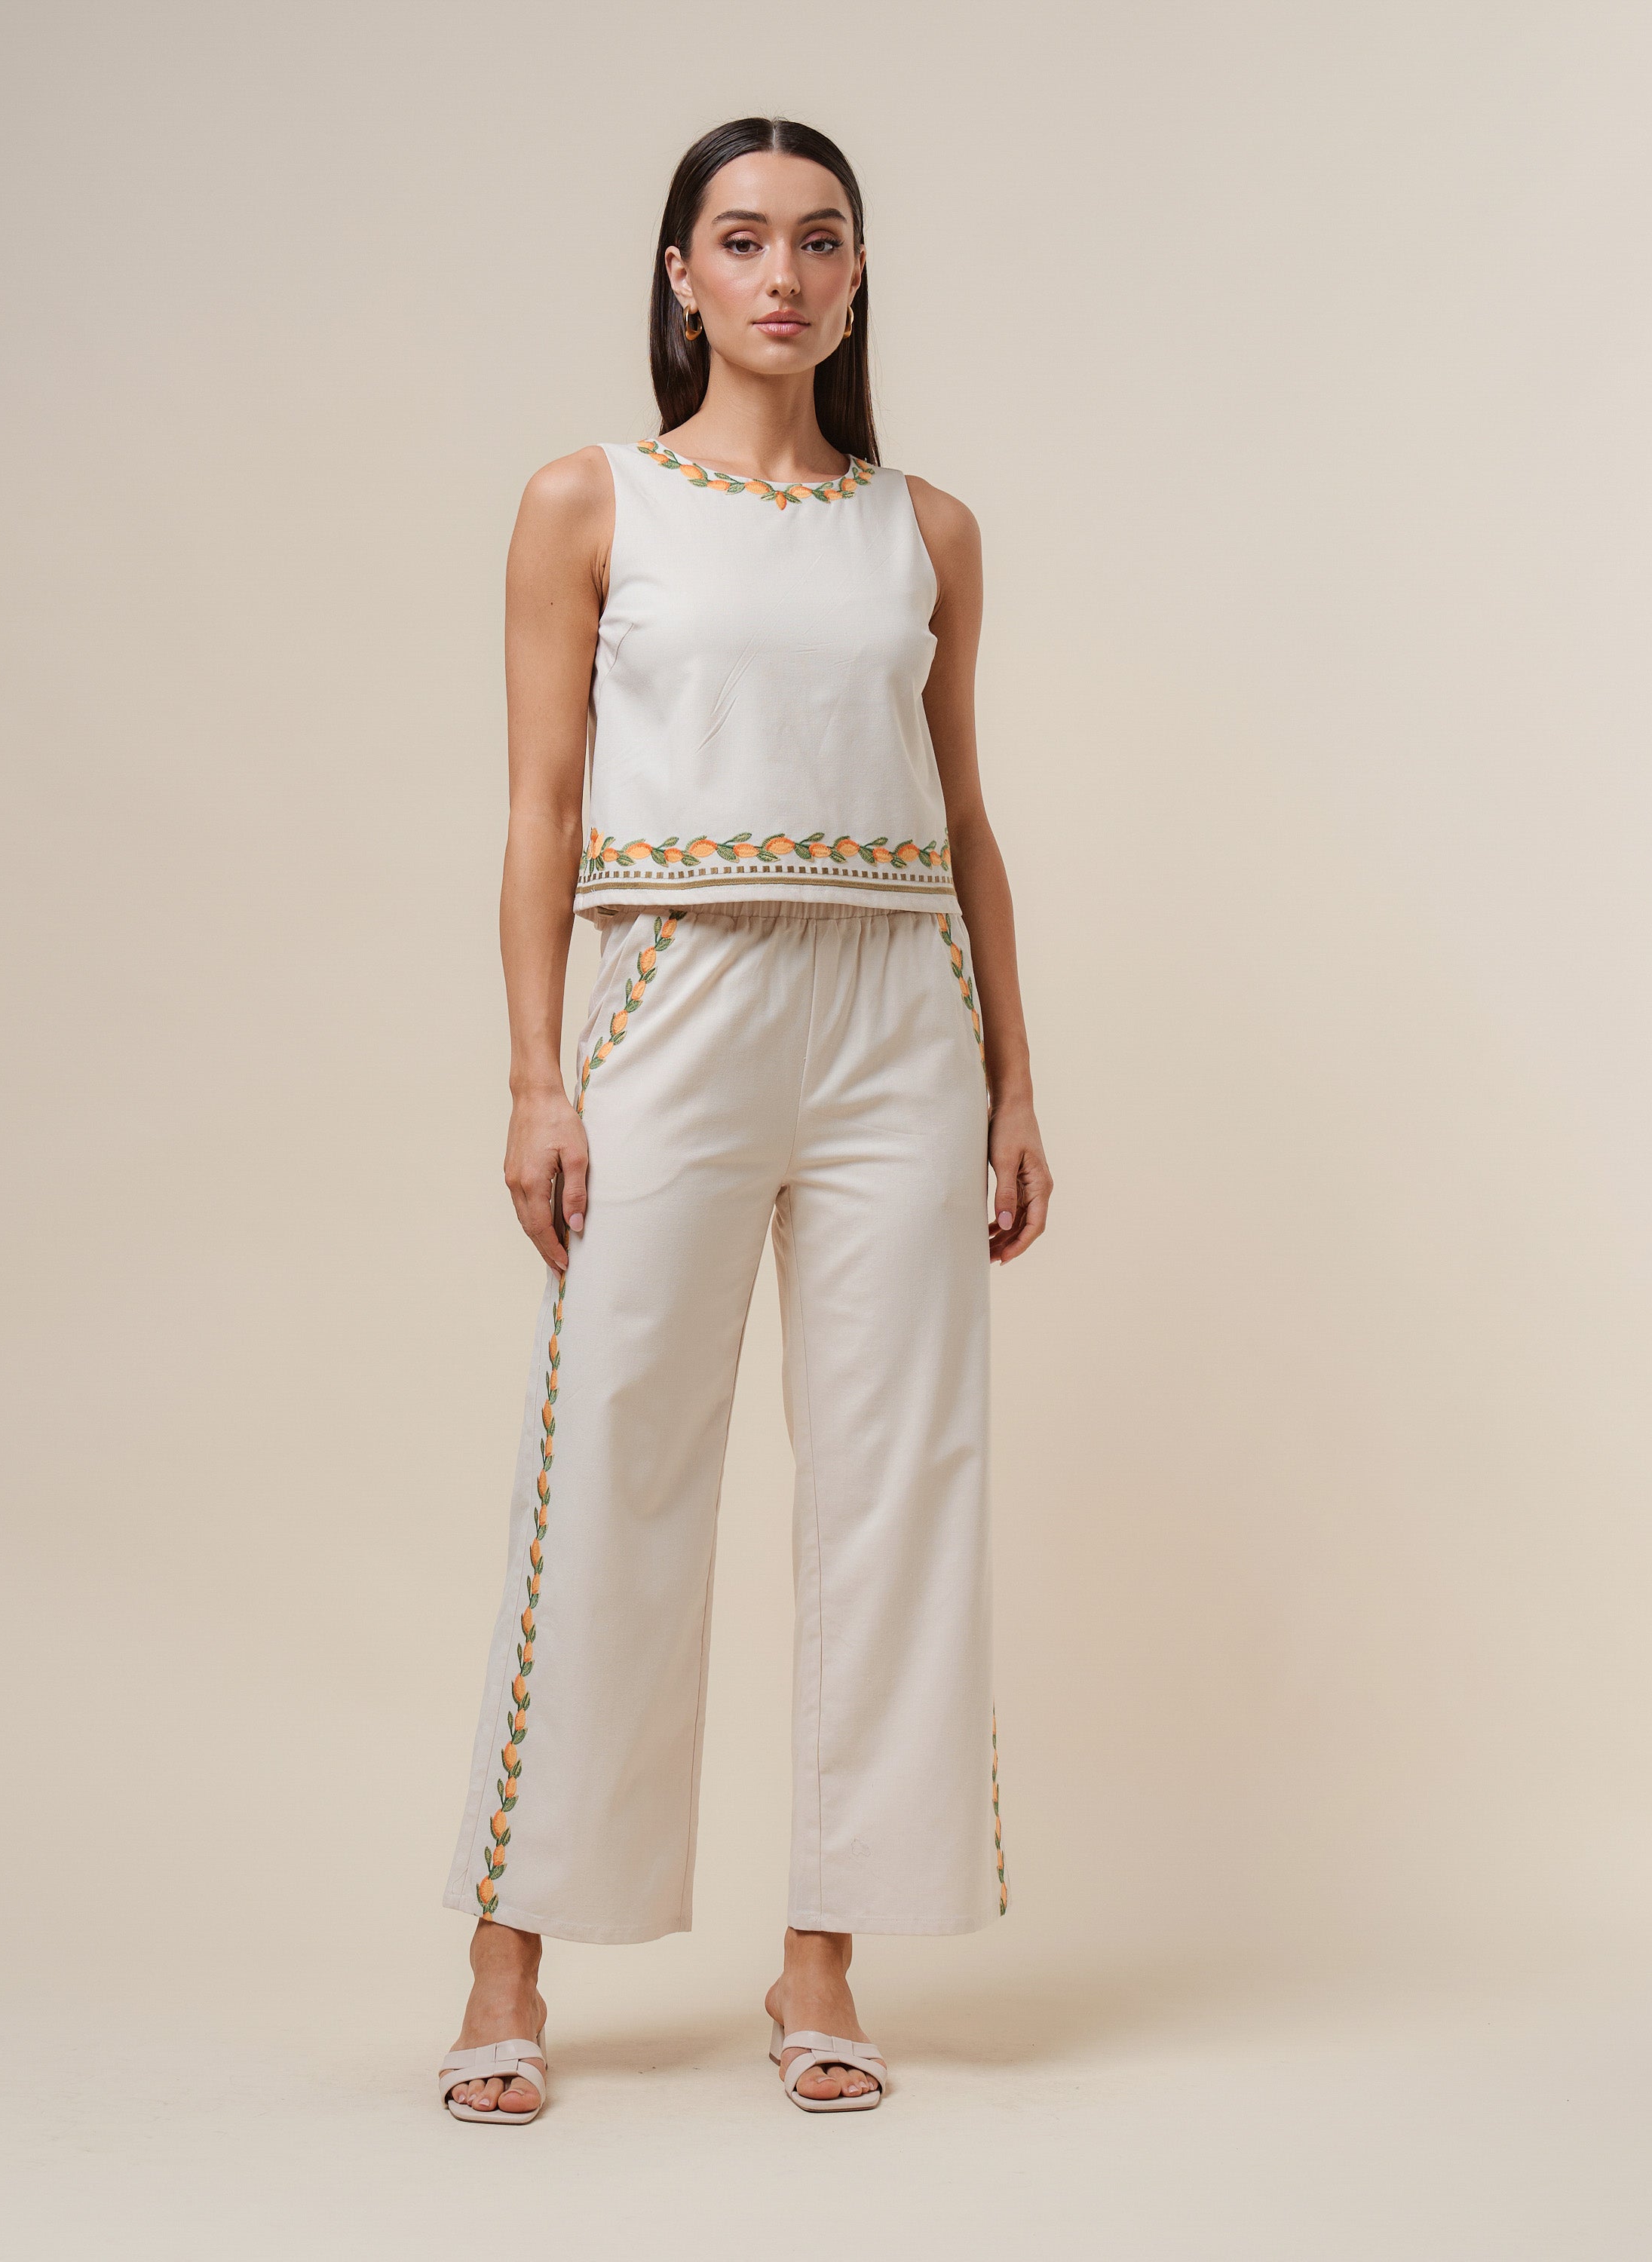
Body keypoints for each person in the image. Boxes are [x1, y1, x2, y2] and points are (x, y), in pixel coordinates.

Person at [437, 115, 1053, 2125]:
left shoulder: (926, 531)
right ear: (681, 275)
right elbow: (539, 808)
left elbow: (966, 817)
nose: (783, 275)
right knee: (615, 1452)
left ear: (857, 282)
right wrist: (538, 1075)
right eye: (742, 240)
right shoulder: (588, 502)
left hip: (898, 1021)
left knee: (897, 1479)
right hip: (673, 997)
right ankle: (509, 1966)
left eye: (821, 242)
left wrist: (1015, 1080)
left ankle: (822, 1961)